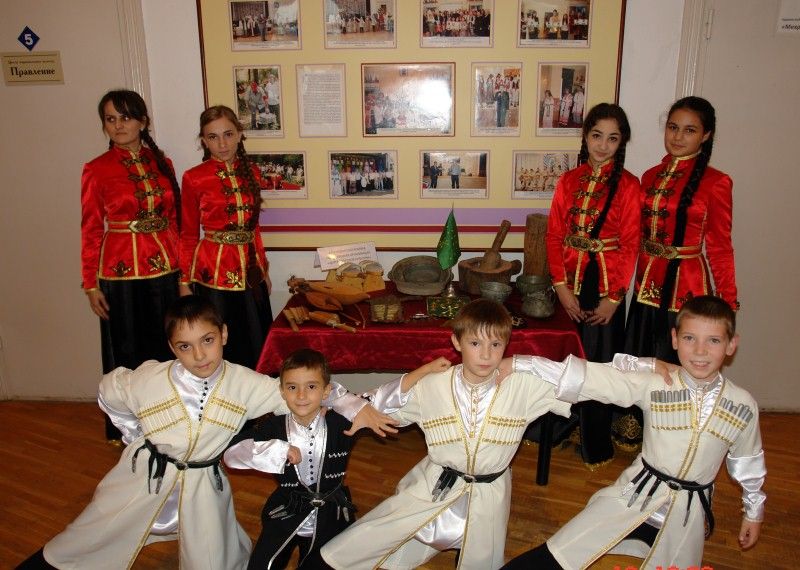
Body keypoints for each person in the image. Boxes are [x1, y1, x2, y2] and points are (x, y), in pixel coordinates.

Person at [16, 295, 400, 570]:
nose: (199, 356)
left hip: (201, 484)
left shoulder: (245, 384)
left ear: (224, 334)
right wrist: (135, 435)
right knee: (93, 533)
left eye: (208, 341)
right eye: (185, 346)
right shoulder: (149, 378)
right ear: (172, 347)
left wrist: (356, 405)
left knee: (211, 556)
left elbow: (303, 393)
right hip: (144, 477)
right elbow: (109, 390)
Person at [503, 296, 765, 569]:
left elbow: (748, 463)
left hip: (687, 518)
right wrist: (519, 364)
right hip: (634, 497)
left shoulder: (742, 405)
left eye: (713, 340)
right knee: (562, 551)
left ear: (731, 344)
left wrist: (753, 513)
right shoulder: (656, 384)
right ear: (674, 339)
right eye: (690, 338)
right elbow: (592, 378)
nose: (700, 351)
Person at [320, 299, 578, 569]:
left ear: (506, 344)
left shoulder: (520, 387)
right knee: (377, 541)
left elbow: (576, 380)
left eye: (495, 345)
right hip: (438, 487)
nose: (486, 355)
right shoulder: (434, 386)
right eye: (475, 343)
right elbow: (372, 403)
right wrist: (358, 406)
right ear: (457, 342)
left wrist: (521, 363)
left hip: (489, 495)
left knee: (480, 555)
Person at [224, 348, 449, 569]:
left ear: (326, 392)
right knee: (262, 563)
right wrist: (277, 450)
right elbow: (233, 452)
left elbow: (384, 395)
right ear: (282, 391)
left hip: (332, 515)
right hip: (286, 510)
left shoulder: (340, 422)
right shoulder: (272, 427)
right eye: (292, 387)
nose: (301, 395)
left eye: (311, 387)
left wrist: (425, 370)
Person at [81, 89, 181, 441]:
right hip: (120, 274)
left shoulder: (162, 164)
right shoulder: (96, 169)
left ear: (142, 121)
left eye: (125, 117)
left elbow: (175, 220)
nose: (118, 125)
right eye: (111, 119)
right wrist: (90, 283)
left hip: (166, 269)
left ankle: (171, 419)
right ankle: (128, 427)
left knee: (168, 346)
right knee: (127, 350)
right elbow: (91, 228)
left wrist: (183, 271)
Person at [545, 103, 641, 467]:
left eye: (612, 138)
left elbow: (630, 244)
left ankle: (595, 442)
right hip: (570, 281)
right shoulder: (568, 181)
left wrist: (614, 299)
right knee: (566, 359)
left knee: (599, 365)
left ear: (622, 142)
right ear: (585, 136)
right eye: (597, 135)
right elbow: (554, 236)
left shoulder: (629, 185)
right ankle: (559, 428)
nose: (603, 145)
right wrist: (560, 287)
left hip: (605, 286)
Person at [625, 96, 738, 364]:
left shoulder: (717, 182)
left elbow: (720, 248)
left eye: (690, 130)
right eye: (673, 127)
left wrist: (729, 303)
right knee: (640, 365)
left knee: (679, 366)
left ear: (705, 135)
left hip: (686, 288)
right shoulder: (650, 176)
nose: (678, 137)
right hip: (646, 285)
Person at [180, 105, 272, 369]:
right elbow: (188, 234)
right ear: (203, 140)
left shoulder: (252, 171)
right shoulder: (193, 178)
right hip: (213, 273)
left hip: (250, 270)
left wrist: (264, 269)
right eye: (213, 137)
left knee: (256, 339)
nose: (222, 144)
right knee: (221, 342)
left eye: (228, 134)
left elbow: (254, 228)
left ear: (240, 134)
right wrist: (184, 281)